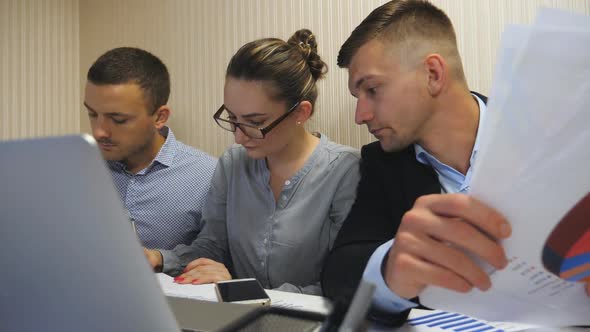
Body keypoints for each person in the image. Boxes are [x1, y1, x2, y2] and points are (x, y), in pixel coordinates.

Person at [321, 0, 590, 325]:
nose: (360, 115)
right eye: (357, 97)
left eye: (372, 89)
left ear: (433, 74)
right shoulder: (384, 164)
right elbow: (340, 271)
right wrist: (390, 267)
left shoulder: (556, 137)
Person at [144, 29, 360, 295]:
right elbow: (211, 247)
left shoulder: (344, 170)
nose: (238, 137)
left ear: (301, 112)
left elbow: (344, 283)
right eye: (232, 118)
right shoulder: (233, 164)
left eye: (255, 123)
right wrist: (160, 259)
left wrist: (244, 291)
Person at [84, 47, 217, 250]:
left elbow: (217, 257)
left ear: (159, 117)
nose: (99, 132)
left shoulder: (208, 177)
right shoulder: (78, 169)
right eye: (92, 114)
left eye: (118, 120)